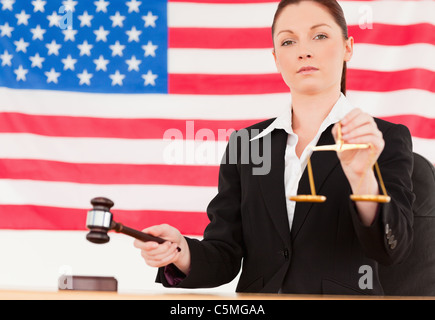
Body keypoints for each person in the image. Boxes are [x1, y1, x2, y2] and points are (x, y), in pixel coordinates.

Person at [133, 0, 414, 295]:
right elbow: (225, 253)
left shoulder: (383, 138)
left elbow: (393, 250)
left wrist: (363, 178)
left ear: (348, 47)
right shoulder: (246, 143)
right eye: (288, 41)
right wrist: (180, 251)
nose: (304, 50)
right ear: (276, 58)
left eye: (319, 36)